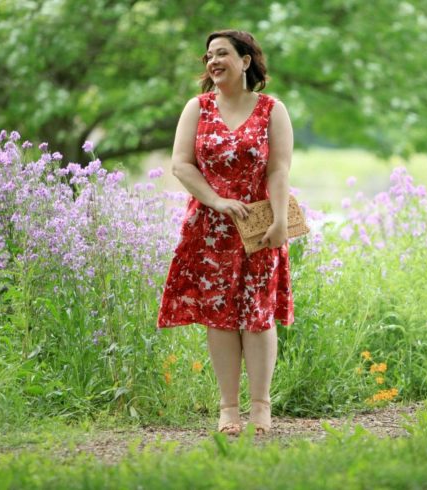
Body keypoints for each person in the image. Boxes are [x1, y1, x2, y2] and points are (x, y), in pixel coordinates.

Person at [156, 30, 295, 436]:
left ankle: (261, 407)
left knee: (258, 314)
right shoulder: (197, 108)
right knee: (218, 316)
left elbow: (279, 169)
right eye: (208, 56)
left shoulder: (272, 109)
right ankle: (228, 410)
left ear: (246, 61)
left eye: (222, 54)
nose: (213, 61)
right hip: (211, 228)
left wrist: (281, 221)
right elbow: (181, 165)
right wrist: (216, 200)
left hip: (258, 225)